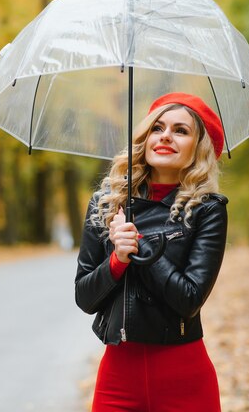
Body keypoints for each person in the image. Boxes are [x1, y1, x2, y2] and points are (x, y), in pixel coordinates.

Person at [75, 92, 228, 411]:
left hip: (184, 379)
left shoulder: (207, 210)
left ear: (198, 149)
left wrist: (140, 246)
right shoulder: (106, 204)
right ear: (144, 137)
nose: (166, 136)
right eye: (157, 127)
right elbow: (85, 298)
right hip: (117, 381)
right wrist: (117, 260)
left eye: (181, 130)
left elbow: (188, 299)